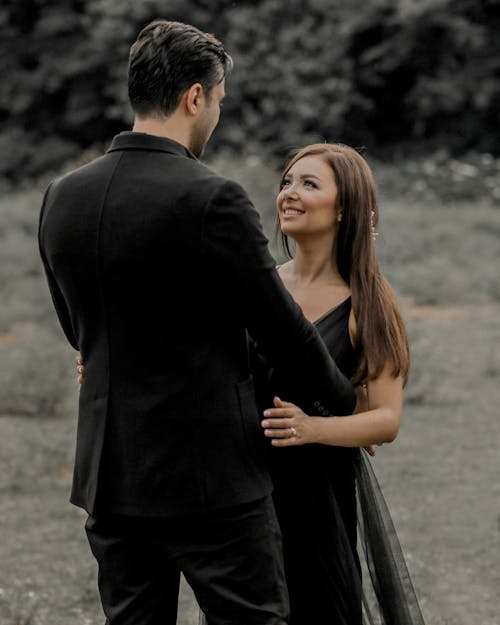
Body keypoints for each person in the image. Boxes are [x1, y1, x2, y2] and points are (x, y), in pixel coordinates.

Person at [38, 20, 356, 625]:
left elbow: (79, 331)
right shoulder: (213, 198)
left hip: (111, 478)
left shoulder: (62, 196)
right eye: (218, 100)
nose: (216, 114)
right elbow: (282, 330)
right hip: (212, 480)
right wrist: (342, 397)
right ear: (194, 97)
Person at [253, 143, 425, 625]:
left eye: (309, 184)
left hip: (317, 500)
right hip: (247, 492)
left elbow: (386, 420)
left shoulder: (367, 303)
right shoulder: (259, 286)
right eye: (287, 181)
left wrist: (312, 429)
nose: (289, 192)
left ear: (344, 208)